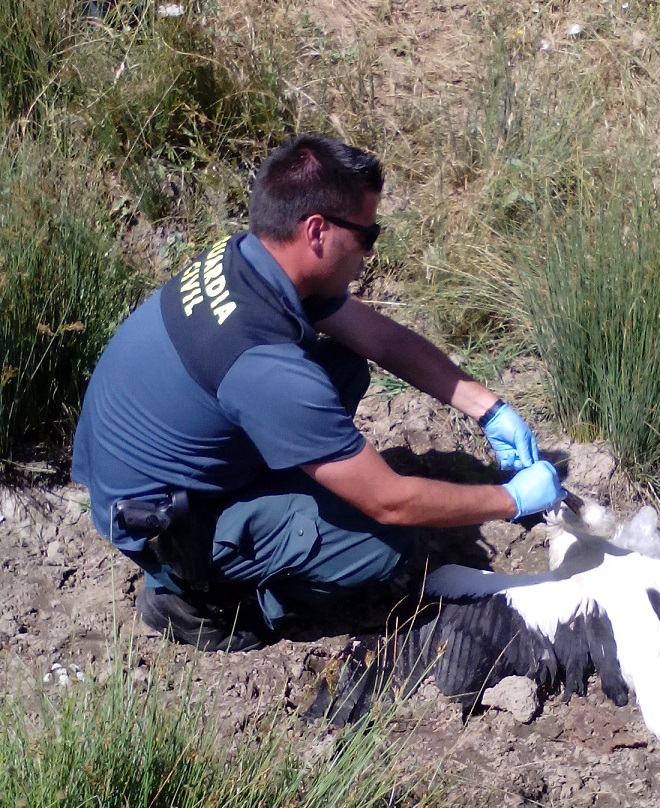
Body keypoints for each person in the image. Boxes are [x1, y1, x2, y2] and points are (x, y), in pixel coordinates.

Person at [72, 134, 565, 651]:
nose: (371, 252)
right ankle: (204, 601)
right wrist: (510, 500)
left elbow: (379, 338)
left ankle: (271, 502)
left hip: (145, 465)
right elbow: (392, 503)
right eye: (368, 234)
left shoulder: (250, 260)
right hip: (166, 526)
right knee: (384, 545)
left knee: (346, 368)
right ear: (316, 232)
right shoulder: (262, 364)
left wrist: (489, 410)